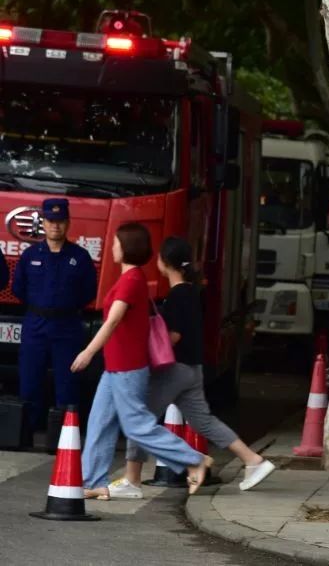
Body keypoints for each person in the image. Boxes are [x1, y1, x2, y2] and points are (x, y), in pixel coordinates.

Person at [107, 237, 276, 499]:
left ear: (164, 263)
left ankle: (132, 479)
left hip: (175, 370)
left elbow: (173, 337)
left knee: (137, 418)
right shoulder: (193, 293)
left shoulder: (176, 297)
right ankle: (254, 461)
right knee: (205, 422)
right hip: (193, 369)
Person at [73, 223, 211, 499]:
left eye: (115, 243)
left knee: (136, 425)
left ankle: (193, 460)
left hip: (127, 368)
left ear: (126, 248)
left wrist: (88, 352)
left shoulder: (132, 280)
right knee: (100, 423)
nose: (112, 247)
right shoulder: (132, 278)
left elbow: (113, 321)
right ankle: (94, 482)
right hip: (115, 366)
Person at [12, 198, 97, 435]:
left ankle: (64, 438)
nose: (55, 226)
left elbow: (88, 291)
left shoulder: (79, 257)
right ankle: (28, 433)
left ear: (68, 223)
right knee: (30, 380)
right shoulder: (30, 255)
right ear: (43, 223)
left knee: (67, 383)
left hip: (67, 325)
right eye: (50, 221)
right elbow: (19, 288)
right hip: (35, 324)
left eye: (60, 221)